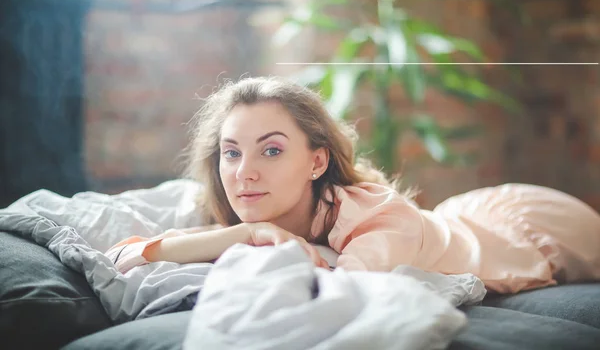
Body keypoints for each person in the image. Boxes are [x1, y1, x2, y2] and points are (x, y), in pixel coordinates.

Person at [106, 77, 600, 294]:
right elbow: (128, 255)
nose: (243, 172)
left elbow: (337, 292)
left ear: (317, 160)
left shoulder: (378, 224)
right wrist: (233, 233)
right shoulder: (264, 211)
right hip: (453, 217)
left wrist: (242, 235)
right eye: (232, 152)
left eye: (272, 150)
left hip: (530, 225)